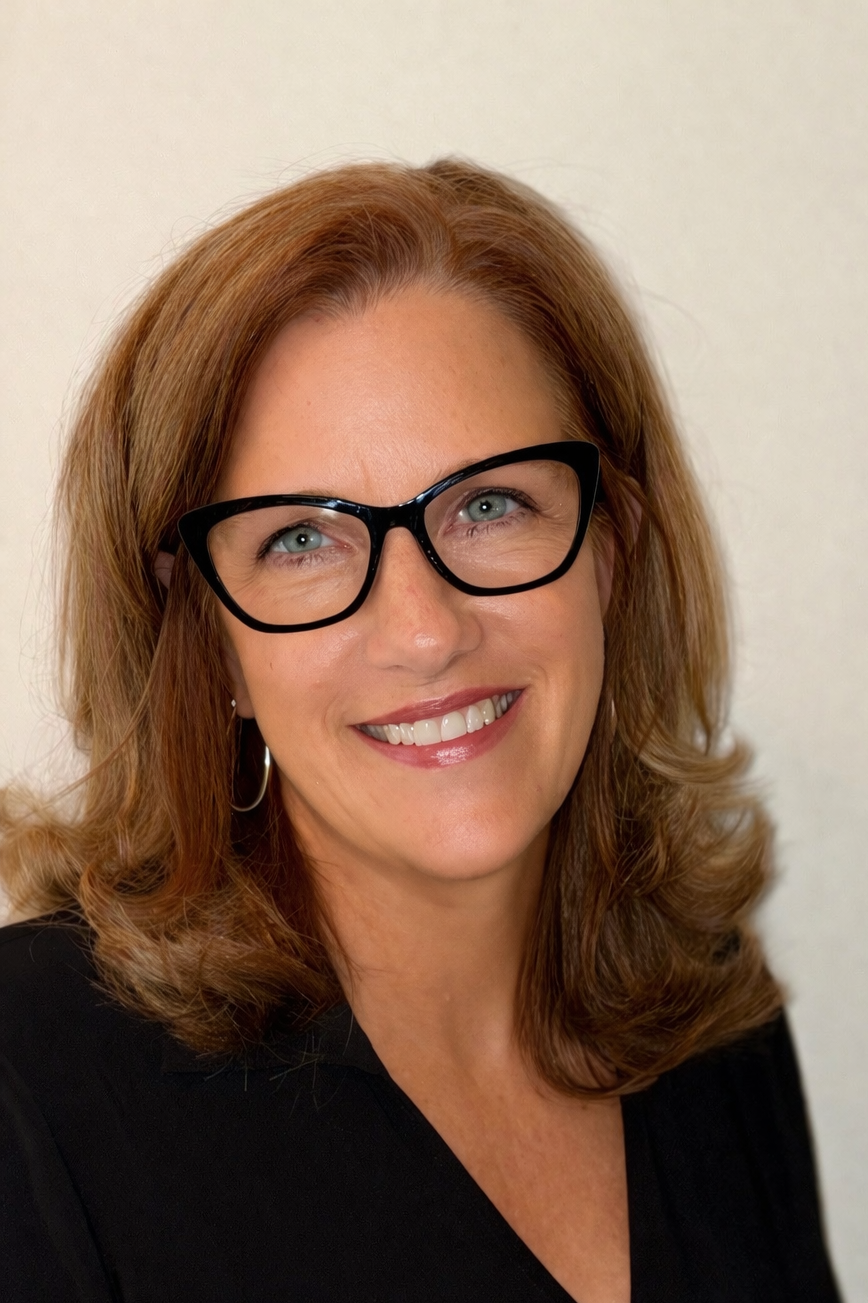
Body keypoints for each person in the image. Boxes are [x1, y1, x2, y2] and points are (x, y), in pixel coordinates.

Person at [0, 159, 840, 1303]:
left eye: (488, 504)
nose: (424, 630)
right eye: (301, 539)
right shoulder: (33, 1082)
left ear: (611, 548)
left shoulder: (704, 1018)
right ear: (204, 639)